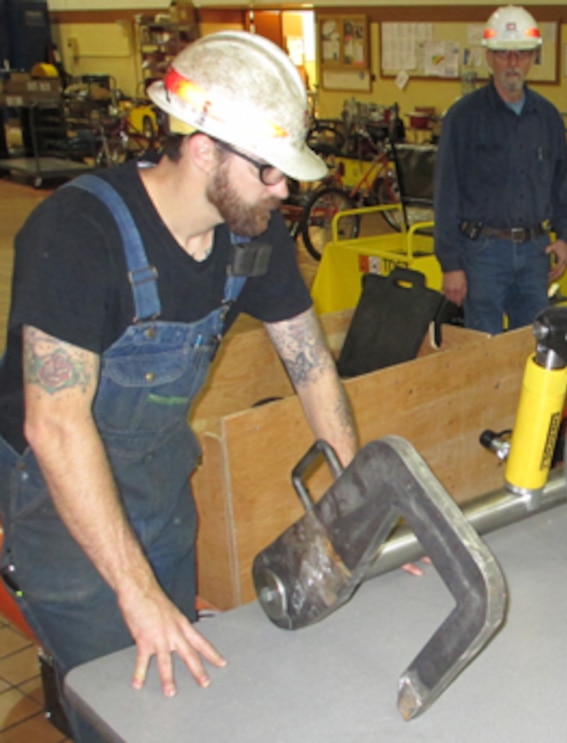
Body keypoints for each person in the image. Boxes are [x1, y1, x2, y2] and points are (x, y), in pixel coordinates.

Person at [0, 32, 358, 742]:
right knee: (125, 704)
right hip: (56, 500)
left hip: (159, 485)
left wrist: (361, 508)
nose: (283, 190)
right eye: (268, 170)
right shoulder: (78, 232)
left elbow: (313, 366)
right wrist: (137, 595)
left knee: (186, 696)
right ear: (203, 150)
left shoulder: (252, 231)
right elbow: (56, 426)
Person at [434, 5, 567, 334]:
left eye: (521, 54)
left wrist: (564, 238)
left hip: (534, 252)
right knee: (483, 350)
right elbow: (446, 195)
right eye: (503, 54)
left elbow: (560, 184)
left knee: (531, 346)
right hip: (483, 254)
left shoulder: (547, 118)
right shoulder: (463, 118)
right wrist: (451, 265)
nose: (513, 63)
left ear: (532, 58)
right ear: (489, 58)